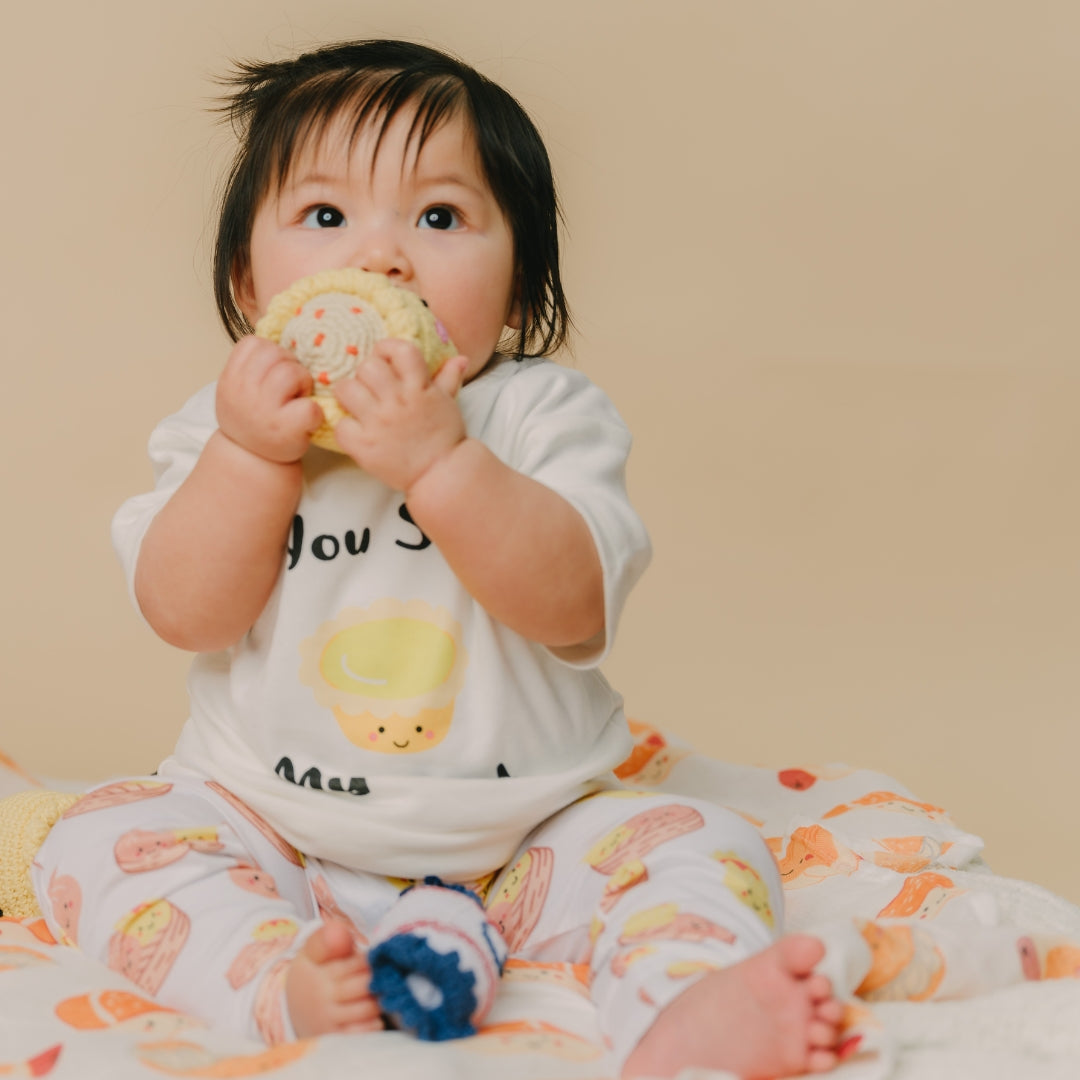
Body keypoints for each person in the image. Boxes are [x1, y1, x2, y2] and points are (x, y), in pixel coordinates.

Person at [33, 39, 843, 1078]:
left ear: (516, 297)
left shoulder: (538, 414)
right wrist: (250, 459)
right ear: (251, 285)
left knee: (701, 842)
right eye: (326, 218)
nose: (382, 260)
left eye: (441, 217)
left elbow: (571, 608)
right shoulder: (224, 428)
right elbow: (186, 612)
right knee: (102, 837)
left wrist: (442, 459)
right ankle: (282, 984)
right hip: (274, 825)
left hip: (529, 836)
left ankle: (680, 1011)